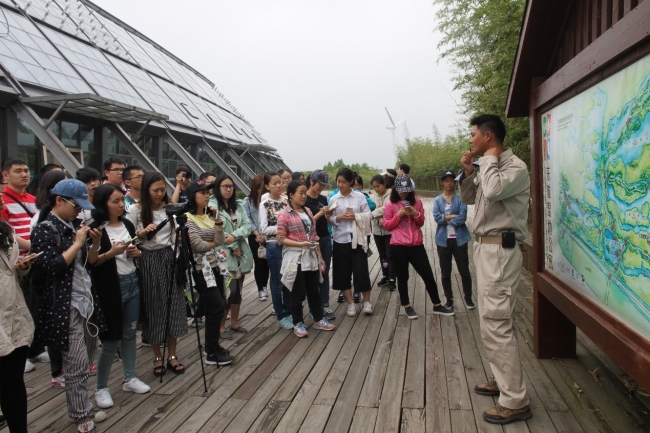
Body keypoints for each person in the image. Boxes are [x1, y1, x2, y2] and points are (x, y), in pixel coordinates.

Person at [459, 114, 531, 424]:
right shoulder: (488, 168)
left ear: (488, 136)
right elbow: (469, 197)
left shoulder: (514, 168)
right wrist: (468, 172)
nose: (470, 139)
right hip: (485, 249)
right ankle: (502, 382)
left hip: (500, 251)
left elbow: (492, 191)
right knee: (490, 320)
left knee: (497, 321)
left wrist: (487, 162)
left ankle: (515, 400)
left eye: (473, 134)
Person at [30, 179, 107, 433]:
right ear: (59, 201)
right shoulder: (44, 229)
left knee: (85, 361)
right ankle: (81, 415)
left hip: (84, 303)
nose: (79, 211)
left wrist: (93, 243)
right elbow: (51, 267)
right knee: (75, 363)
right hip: (63, 306)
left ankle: (83, 405)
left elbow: (91, 262)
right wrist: (77, 243)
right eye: (76, 206)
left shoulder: (76, 226)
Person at [87, 184, 151, 409]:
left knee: (129, 333)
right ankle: (101, 387)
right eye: (115, 201)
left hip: (133, 281)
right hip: (111, 288)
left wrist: (136, 252)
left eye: (121, 200)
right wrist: (111, 253)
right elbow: (91, 262)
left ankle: (129, 377)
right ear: (103, 203)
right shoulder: (95, 228)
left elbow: (135, 249)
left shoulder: (127, 223)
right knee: (111, 340)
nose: (120, 204)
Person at [126, 172, 187, 377]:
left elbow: (176, 234)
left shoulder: (169, 208)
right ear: (146, 190)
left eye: (163, 190)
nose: (160, 194)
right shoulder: (135, 210)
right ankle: (157, 356)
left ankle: (172, 355)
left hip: (169, 257)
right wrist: (141, 234)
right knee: (153, 307)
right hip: (147, 259)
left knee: (173, 305)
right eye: (156, 190)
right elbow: (127, 239)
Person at [383, 174, 454, 319]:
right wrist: (399, 215)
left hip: (416, 244)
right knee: (403, 277)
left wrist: (415, 213)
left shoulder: (417, 202)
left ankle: (437, 304)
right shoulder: (390, 205)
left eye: (407, 190)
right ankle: (407, 305)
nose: (404, 193)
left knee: (427, 274)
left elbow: (421, 222)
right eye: (401, 190)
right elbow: (388, 226)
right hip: (398, 245)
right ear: (396, 189)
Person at [0, 157, 46, 373]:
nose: (24, 174)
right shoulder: (3, 200)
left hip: (33, 259)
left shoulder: (32, 199)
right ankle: (19, 349)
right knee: (16, 306)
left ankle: (34, 347)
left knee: (34, 304)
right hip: (14, 262)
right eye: (18, 171)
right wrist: (29, 245)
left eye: (26, 170)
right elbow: (6, 232)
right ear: (5, 175)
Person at [183, 180, 233, 366]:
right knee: (216, 307)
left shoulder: (209, 216)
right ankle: (210, 352)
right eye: (202, 192)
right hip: (200, 269)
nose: (206, 196)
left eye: (207, 192)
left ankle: (213, 346)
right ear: (192, 196)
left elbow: (219, 239)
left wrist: (218, 222)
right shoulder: (187, 218)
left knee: (217, 308)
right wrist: (214, 243)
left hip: (215, 267)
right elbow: (198, 245)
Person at [277, 181, 335, 337]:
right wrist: (300, 243)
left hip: (310, 256)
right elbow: (281, 239)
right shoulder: (284, 214)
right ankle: (298, 322)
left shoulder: (308, 211)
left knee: (314, 289)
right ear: (291, 195)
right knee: (298, 292)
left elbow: (314, 236)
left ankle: (318, 318)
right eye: (300, 193)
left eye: (304, 193)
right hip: (295, 257)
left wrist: (320, 257)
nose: (303, 196)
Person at [0, 198, 36, 433]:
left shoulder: (5, 231)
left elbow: (10, 269)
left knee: (13, 383)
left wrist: (23, 266)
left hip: (13, 312)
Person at [211, 175, 252, 339]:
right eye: (225, 186)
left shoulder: (240, 205)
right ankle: (221, 326)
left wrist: (235, 237)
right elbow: (216, 229)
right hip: (223, 252)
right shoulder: (212, 206)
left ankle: (234, 322)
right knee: (228, 289)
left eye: (231, 186)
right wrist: (233, 244)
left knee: (238, 290)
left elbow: (247, 226)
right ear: (217, 188)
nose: (228, 189)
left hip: (240, 251)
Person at [328, 167, 373, 317]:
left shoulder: (359, 197)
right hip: (340, 239)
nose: (340, 185)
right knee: (343, 273)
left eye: (343, 182)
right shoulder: (334, 199)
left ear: (351, 182)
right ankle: (351, 304)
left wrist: (356, 216)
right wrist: (339, 217)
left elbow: (369, 215)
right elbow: (329, 220)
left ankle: (367, 302)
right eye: (338, 182)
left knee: (361, 271)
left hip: (357, 239)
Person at [433, 169, 474, 310]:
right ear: (442, 182)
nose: (449, 183)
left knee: (464, 270)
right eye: (446, 180)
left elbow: (462, 218)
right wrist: (451, 216)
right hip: (443, 240)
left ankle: (468, 298)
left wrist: (446, 218)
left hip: (460, 239)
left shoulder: (461, 198)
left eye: (451, 180)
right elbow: (436, 218)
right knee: (445, 272)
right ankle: (449, 299)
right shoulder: (437, 200)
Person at [259, 172, 292, 329]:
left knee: (289, 278)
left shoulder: (287, 201)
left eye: (280, 182)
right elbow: (263, 228)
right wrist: (281, 229)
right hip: (274, 245)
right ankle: (281, 314)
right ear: (267, 186)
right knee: (277, 281)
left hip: (289, 244)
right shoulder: (265, 204)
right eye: (274, 183)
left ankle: (289, 310)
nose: (279, 185)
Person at [304, 170, 335, 320]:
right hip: (311, 241)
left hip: (325, 237)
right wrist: (321, 213)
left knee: (324, 271)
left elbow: (327, 220)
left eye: (323, 185)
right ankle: (314, 307)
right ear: (311, 181)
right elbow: (307, 222)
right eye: (319, 184)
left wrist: (329, 214)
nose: (321, 188)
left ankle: (325, 304)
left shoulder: (323, 198)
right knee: (313, 274)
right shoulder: (304, 200)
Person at [243, 174, 269, 301]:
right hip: (254, 237)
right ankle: (261, 289)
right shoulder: (247, 201)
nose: (260, 190)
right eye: (258, 188)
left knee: (267, 263)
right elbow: (247, 219)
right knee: (259, 263)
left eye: (262, 188)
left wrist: (265, 235)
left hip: (268, 236)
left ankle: (265, 285)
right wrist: (257, 234)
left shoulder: (268, 201)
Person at [369, 174, 396, 290]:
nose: (376, 189)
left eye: (378, 186)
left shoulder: (391, 195)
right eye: (374, 187)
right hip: (376, 230)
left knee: (390, 255)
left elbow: (389, 209)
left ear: (384, 184)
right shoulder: (372, 197)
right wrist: (379, 212)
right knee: (382, 255)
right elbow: (369, 208)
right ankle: (385, 274)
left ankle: (392, 278)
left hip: (389, 231)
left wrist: (376, 213)